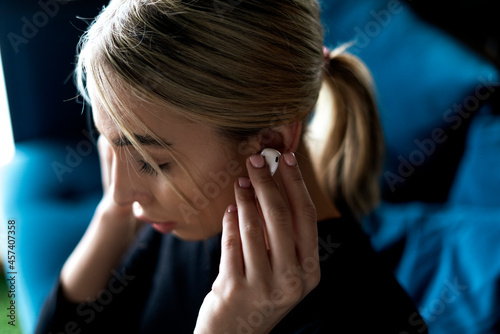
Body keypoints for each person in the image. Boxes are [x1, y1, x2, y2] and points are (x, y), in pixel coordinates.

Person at [36, 0, 428, 333]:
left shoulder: (369, 315)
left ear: (270, 143)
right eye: (110, 142)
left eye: (152, 162)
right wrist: (111, 224)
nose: (120, 193)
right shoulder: (183, 221)